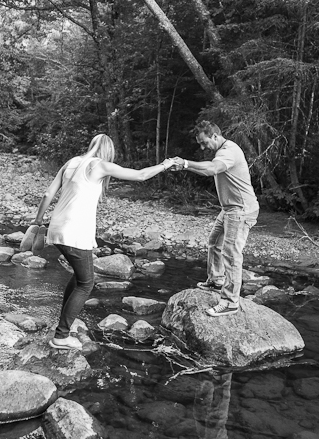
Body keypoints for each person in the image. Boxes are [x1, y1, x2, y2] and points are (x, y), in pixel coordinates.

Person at [32, 134, 174, 350]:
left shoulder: (71, 163)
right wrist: (166, 164)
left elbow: (47, 194)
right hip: (75, 233)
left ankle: (62, 325)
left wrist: (37, 222)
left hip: (57, 229)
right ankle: (61, 336)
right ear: (108, 151)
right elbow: (141, 175)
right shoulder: (98, 166)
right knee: (86, 283)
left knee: (79, 279)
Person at [171, 121, 259, 317]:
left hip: (240, 210)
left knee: (231, 253)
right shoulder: (223, 151)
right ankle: (216, 280)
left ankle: (230, 302)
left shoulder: (229, 151)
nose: (203, 148)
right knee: (214, 242)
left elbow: (211, 169)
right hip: (228, 209)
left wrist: (185, 164)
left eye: (204, 143)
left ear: (215, 136)